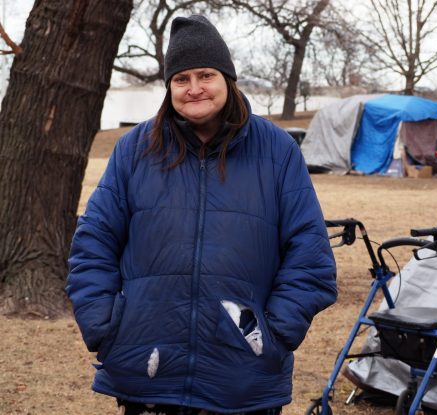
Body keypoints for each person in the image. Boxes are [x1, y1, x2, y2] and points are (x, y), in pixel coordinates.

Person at [66, 15, 337, 415]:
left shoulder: (277, 151)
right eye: (181, 79)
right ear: (169, 86)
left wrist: (272, 334)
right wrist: (107, 327)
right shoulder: (134, 150)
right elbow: (93, 245)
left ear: (227, 78)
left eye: (205, 75)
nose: (194, 89)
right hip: (150, 373)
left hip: (243, 377)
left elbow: (310, 258)